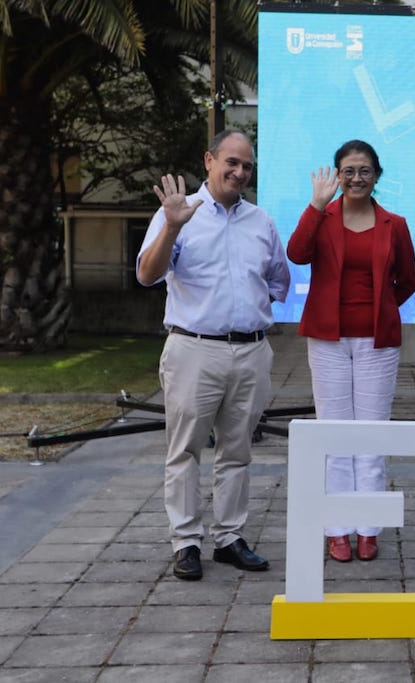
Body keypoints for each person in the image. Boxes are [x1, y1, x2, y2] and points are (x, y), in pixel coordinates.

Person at [137, 129, 291, 580]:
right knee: (184, 450)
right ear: (209, 160)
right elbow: (147, 274)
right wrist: (172, 226)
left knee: (237, 451)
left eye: (247, 166)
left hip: (250, 352)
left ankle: (229, 537)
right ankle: (186, 542)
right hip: (193, 350)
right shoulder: (179, 215)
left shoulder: (261, 221)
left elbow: (278, 280)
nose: (239, 172)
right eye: (232, 162)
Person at [287, 140, 415, 563]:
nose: (356, 178)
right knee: (335, 435)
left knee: (371, 436)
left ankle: (368, 528)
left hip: (376, 341)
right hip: (327, 340)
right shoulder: (322, 219)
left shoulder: (394, 224)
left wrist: (378, 308)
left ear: (377, 175)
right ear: (337, 175)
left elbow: (408, 281)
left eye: (364, 170)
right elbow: (296, 253)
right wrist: (314, 206)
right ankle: (337, 529)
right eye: (348, 170)